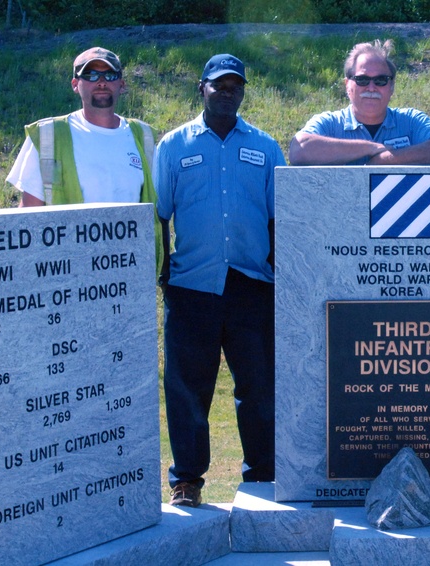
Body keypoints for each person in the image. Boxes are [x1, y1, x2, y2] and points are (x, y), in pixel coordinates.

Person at [153, 54, 285, 507]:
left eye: (235, 86)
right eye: (218, 85)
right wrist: (166, 276)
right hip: (192, 286)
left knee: (259, 387)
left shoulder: (266, 148)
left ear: (243, 92)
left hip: (252, 283)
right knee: (188, 388)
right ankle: (187, 479)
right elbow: (161, 215)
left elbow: (277, 217)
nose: (226, 92)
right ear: (201, 88)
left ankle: (263, 477)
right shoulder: (173, 146)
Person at [6, 46, 162, 270]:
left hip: (128, 272)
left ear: (122, 84)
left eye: (109, 75)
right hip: (68, 275)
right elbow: (28, 213)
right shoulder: (49, 135)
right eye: (90, 75)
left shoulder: (143, 136)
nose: (101, 82)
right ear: (75, 85)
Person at [288, 39, 430, 165]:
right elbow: (299, 149)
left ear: (391, 86)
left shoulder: (411, 121)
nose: (371, 87)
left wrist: (387, 159)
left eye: (381, 80)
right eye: (362, 80)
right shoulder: (329, 123)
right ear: (348, 85)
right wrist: (370, 148)